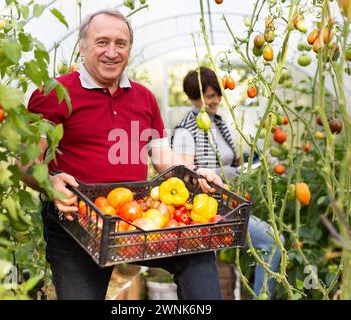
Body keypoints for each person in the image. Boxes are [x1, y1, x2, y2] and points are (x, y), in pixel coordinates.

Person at [18, 9, 225, 300]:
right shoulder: (55, 92)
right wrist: (48, 182)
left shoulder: (144, 98)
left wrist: (195, 172)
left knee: (197, 255)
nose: (112, 52)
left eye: (121, 43)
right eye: (102, 42)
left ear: (129, 48)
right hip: (77, 223)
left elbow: (163, 158)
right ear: (82, 45)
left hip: (136, 218)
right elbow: (25, 162)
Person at [171, 66, 285, 298]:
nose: (217, 101)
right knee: (269, 242)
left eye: (218, 95)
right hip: (206, 211)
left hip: (226, 203)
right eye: (211, 96)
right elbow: (182, 175)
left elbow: (228, 161)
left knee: (273, 241)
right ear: (195, 98)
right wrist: (226, 175)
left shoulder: (218, 123)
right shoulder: (186, 130)